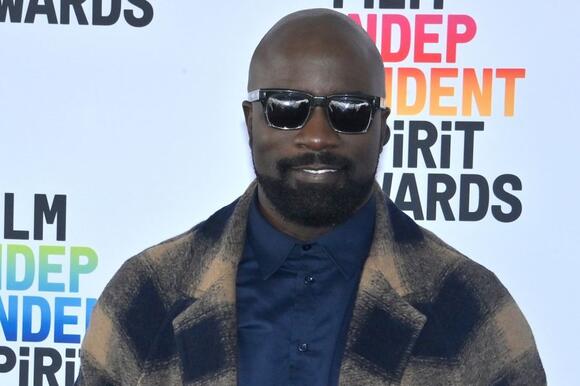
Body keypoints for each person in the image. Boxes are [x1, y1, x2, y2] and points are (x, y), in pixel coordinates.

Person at [76, 8, 546, 386]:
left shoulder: (469, 310)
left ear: (383, 129)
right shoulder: (148, 296)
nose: (317, 136)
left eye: (349, 111)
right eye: (287, 107)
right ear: (251, 120)